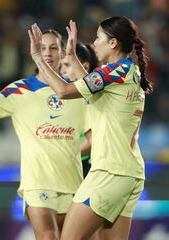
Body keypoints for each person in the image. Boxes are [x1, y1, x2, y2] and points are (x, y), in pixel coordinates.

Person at [28, 16, 153, 239]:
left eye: (98, 38)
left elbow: (65, 92)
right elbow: (90, 86)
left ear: (113, 43)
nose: (94, 43)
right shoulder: (128, 71)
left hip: (109, 172)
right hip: (130, 174)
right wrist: (71, 57)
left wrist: (39, 58)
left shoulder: (114, 72)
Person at [0, 33, 89, 239]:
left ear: (63, 53)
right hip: (37, 183)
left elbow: (93, 134)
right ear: (34, 52)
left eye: (53, 48)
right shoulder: (20, 90)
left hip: (73, 183)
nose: (47, 53)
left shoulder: (76, 92)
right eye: (42, 48)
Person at [60, 42, 99, 178]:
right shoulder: (65, 97)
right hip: (69, 166)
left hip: (85, 168)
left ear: (85, 66)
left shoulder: (92, 98)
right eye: (61, 66)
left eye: (67, 65)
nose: (62, 71)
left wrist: (67, 156)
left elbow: (93, 139)